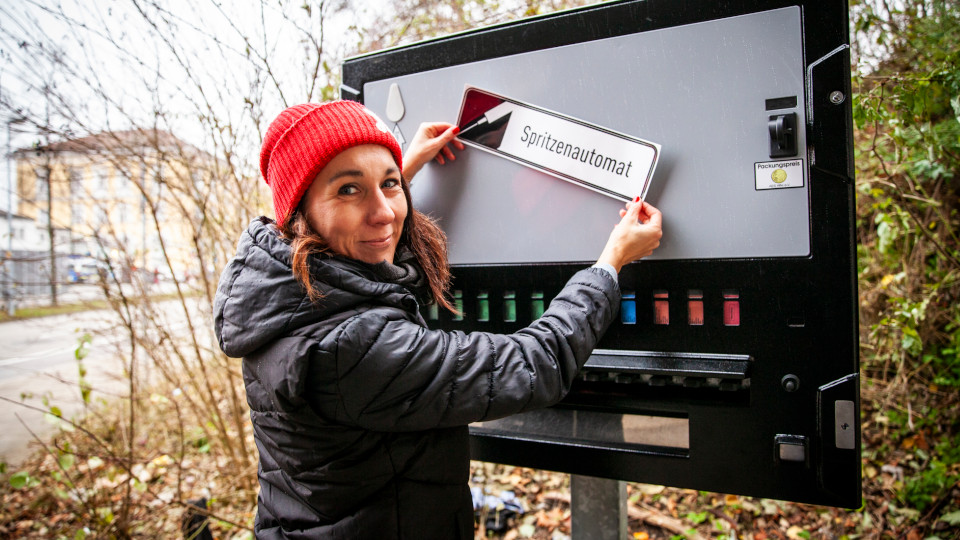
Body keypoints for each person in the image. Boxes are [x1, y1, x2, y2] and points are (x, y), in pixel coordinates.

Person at [213, 100, 663, 539]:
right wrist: (612, 262)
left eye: (389, 186)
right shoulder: (350, 348)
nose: (385, 212)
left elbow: (367, 263)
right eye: (348, 189)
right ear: (299, 216)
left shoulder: (281, 295)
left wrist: (401, 170)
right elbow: (533, 364)